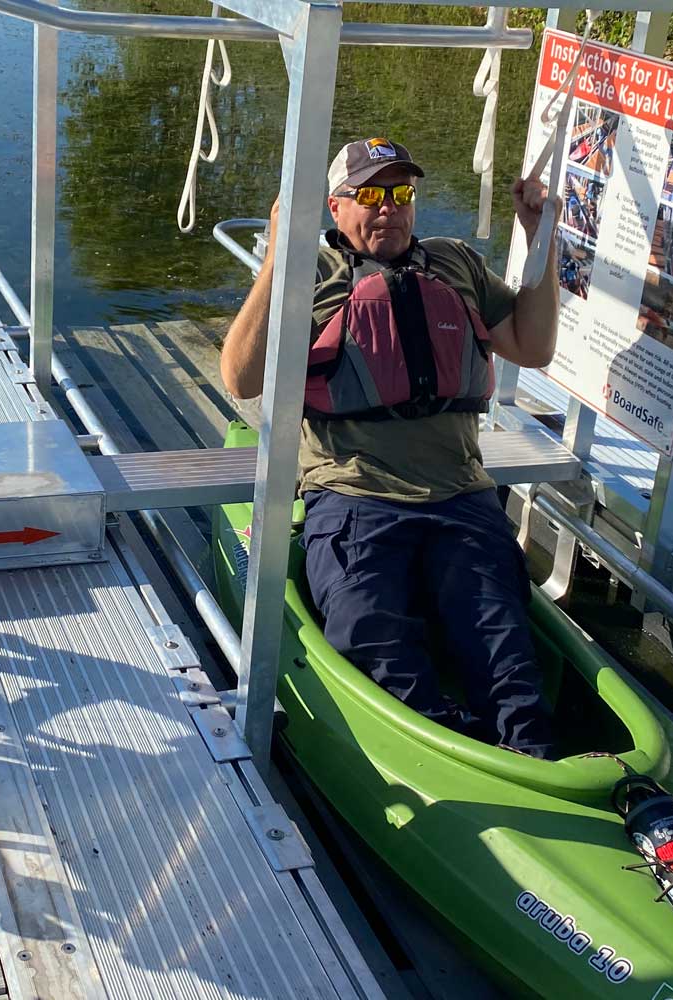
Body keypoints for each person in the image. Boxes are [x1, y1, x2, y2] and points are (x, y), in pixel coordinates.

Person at [220, 137, 560, 758]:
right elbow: (242, 378)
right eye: (370, 194)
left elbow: (532, 347)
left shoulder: (455, 262)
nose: (388, 208)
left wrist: (542, 236)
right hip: (354, 499)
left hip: (461, 498)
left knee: (505, 650)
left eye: (401, 193)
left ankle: (531, 763)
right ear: (334, 207)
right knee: (374, 643)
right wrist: (279, 256)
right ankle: (444, 757)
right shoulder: (312, 275)